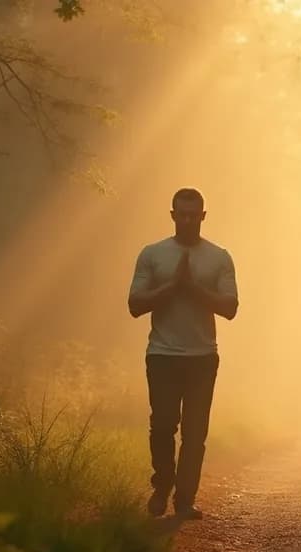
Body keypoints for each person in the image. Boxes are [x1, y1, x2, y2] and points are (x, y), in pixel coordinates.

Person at [128, 187, 238, 519]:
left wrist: (192, 288)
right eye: (182, 215)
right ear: (172, 215)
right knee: (162, 426)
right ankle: (162, 486)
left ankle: (185, 499)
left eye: (194, 215)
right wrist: (172, 287)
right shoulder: (152, 254)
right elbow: (135, 305)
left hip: (202, 357)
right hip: (162, 355)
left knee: (195, 433)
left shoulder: (219, 257)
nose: (188, 221)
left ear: (203, 216)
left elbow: (230, 308)